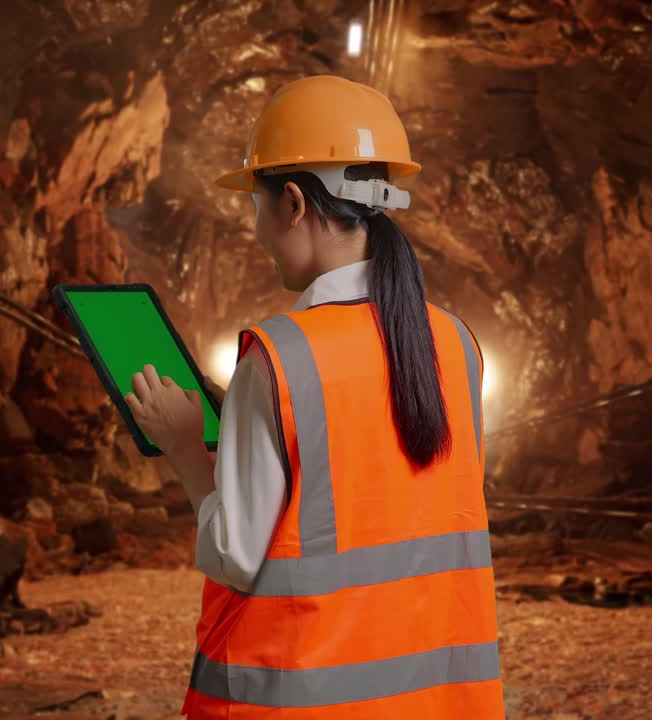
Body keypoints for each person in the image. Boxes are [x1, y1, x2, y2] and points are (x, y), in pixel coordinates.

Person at [126, 74, 504, 719]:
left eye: (256, 205)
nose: (256, 229)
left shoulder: (278, 356)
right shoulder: (453, 340)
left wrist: (186, 447)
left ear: (294, 204)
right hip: (437, 700)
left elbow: (235, 557)